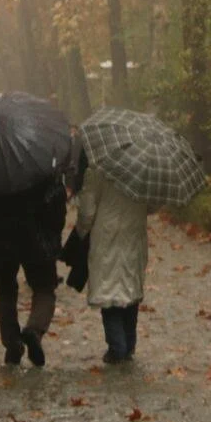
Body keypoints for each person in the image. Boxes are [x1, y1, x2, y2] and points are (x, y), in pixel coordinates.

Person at [0, 173, 67, 367]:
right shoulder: (39, 156)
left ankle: (12, 344)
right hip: (36, 234)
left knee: (5, 291)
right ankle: (34, 330)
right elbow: (56, 197)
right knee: (44, 288)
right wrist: (53, 228)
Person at [73, 156, 149, 363]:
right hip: (134, 233)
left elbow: (87, 211)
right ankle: (129, 344)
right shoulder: (144, 169)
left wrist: (81, 231)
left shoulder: (98, 169)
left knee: (108, 288)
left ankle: (117, 346)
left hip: (106, 234)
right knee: (130, 286)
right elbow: (153, 204)